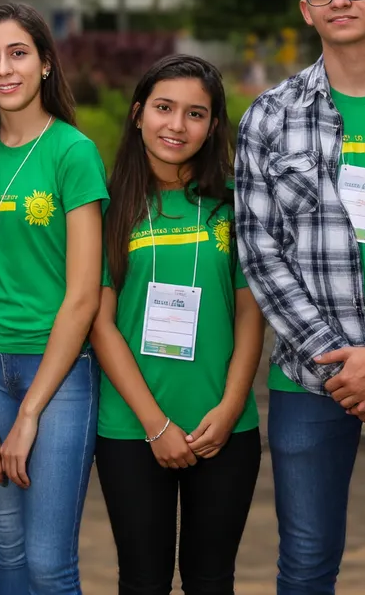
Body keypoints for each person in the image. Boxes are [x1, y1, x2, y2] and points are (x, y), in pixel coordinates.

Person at [236, 0, 365, 594]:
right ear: (306, 10)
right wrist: (342, 362)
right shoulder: (270, 117)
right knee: (306, 566)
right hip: (314, 384)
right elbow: (259, 249)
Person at [0, 2, 106, 595]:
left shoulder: (72, 153)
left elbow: (83, 297)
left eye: (17, 53)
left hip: (57, 373)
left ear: (46, 64)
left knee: (48, 563)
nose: (3, 69)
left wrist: (30, 411)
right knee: (6, 553)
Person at [91, 55, 262, 595]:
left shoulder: (235, 203)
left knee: (212, 580)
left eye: (195, 114)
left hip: (223, 426)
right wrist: (156, 425)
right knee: (142, 580)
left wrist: (231, 407)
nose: (176, 126)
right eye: (164, 108)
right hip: (132, 429)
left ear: (213, 126)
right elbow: (100, 323)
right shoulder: (106, 205)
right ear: (138, 113)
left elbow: (250, 311)